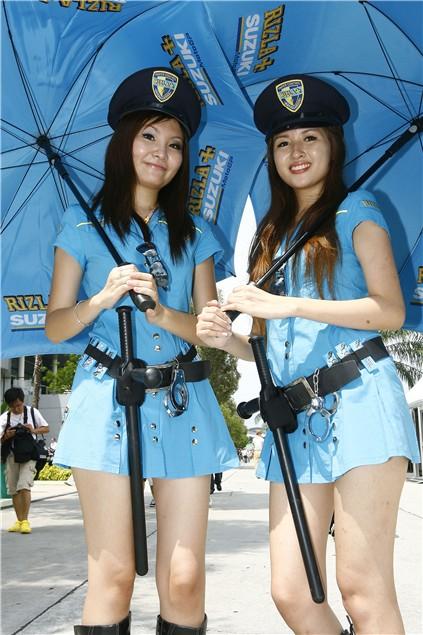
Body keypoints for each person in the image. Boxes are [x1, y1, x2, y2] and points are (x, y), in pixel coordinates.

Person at [196, 74, 420, 635]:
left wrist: (289, 305)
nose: (296, 153)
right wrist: (228, 340)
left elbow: (389, 311)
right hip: (293, 424)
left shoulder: (357, 211)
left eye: (310, 138)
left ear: (334, 144)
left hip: (360, 404)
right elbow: (266, 350)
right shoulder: (271, 236)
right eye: (283, 143)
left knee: (363, 591)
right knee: (293, 591)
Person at [45, 67, 238, 635]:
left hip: (184, 401)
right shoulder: (81, 226)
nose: (162, 153)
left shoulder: (197, 232)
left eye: (175, 144)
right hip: (108, 400)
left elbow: (208, 331)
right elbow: (56, 326)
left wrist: (161, 313)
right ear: (123, 141)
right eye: (148, 136)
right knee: (114, 574)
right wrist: (102, 299)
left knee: (183, 577)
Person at [0, 387, 49, 534]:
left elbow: (46, 428)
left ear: (22, 401)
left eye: (19, 405)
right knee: (14, 489)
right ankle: (19, 520)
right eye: (13, 406)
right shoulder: (4, 417)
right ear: (9, 405)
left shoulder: (32, 412)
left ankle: (25, 521)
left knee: (24, 486)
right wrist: (6, 436)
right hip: (12, 455)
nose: (16, 408)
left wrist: (33, 429)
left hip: (29, 455)